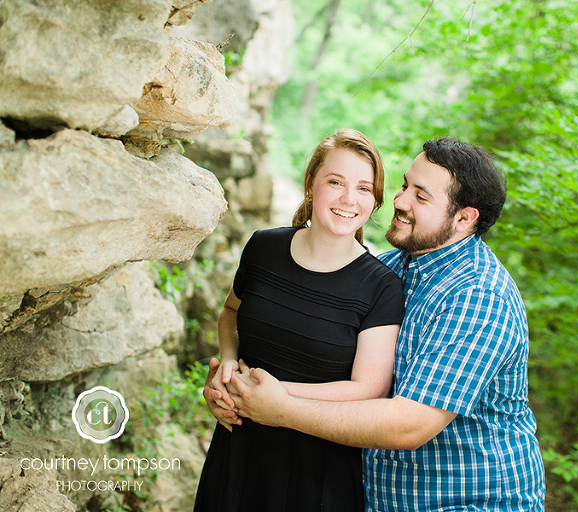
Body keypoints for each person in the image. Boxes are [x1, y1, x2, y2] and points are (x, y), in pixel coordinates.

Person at [208, 137, 547, 511]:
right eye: (404, 186)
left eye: (421, 196)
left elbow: (409, 423)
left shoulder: (479, 296)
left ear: (464, 218)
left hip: (466, 500)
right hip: (382, 497)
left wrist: (278, 407)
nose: (399, 202)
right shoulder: (390, 267)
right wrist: (233, 388)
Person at [193, 129, 405, 512]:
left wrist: (273, 397)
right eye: (335, 182)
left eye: (363, 188)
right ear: (310, 184)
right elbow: (230, 312)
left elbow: (368, 388)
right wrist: (227, 365)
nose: (348, 199)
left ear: (374, 202)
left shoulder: (382, 286)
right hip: (238, 445)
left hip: (319, 471)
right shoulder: (263, 246)